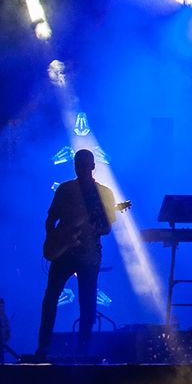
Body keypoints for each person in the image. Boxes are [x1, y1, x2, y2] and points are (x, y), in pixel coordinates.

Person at [34, 148, 118, 360]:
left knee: (87, 301)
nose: (80, 167)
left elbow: (106, 228)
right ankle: (43, 347)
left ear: (92, 166)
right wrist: (54, 239)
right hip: (63, 253)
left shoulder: (105, 194)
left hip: (88, 254)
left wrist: (95, 227)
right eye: (77, 163)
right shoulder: (65, 189)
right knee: (51, 297)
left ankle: (83, 349)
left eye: (83, 163)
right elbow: (50, 219)